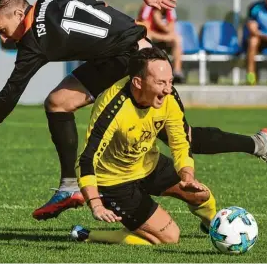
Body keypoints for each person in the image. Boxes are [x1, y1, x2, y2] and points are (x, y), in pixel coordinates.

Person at [0, 0, 267, 222]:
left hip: (141, 63)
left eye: (1, 29)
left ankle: (257, 143)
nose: (4, 38)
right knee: (58, 102)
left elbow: (13, 89)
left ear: (17, 13)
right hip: (120, 56)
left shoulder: (33, 42)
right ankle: (69, 186)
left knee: (184, 138)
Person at [70, 48, 215, 245]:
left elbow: (180, 141)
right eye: (161, 82)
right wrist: (95, 204)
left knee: (200, 194)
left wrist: (187, 176)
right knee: (169, 237)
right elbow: (86, 159)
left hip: (148, 164)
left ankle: (215, 228)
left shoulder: (169, 96)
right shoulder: (112, 108)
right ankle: (87, 235)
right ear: (138, 82)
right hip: (115, 181)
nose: (168, 89)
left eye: (170, 81)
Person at [137, 4, 185, 83]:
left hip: (163, 39)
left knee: (177, 39)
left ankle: (177, 72)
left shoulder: (170, 9)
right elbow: (145, 29)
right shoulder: (147, 8)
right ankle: (144, 72)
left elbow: (171, 29)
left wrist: (158, 22)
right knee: (147, 37)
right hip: (152, 38)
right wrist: (163, 36)